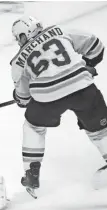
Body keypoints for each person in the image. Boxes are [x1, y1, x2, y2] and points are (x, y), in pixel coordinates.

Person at [10, 15, 107, 198]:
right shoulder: (61, 31)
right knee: (101, 130)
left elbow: (23, 99)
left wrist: (18, 97)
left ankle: (31, 174)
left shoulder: (17, 61)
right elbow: (96, 46)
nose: (19, 41)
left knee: (33, 127)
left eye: (20, 37)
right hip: (83, 88)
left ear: (27, 33)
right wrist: (88, 65)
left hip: (47, 98)